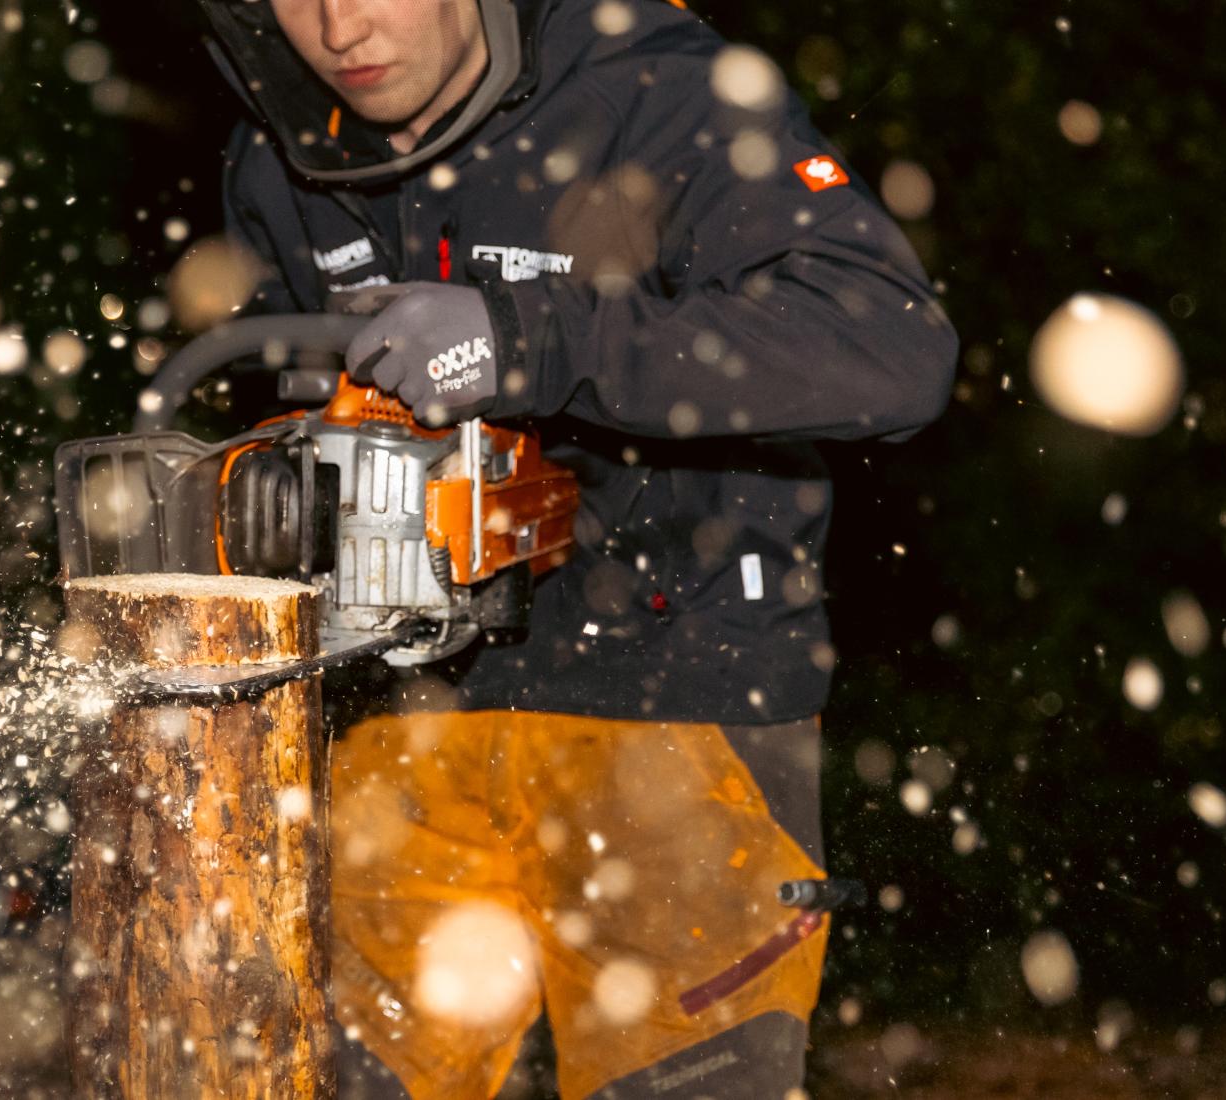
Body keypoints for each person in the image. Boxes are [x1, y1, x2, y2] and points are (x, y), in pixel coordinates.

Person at [197, 0, 959, 1096]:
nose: (336, 23)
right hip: (406, 726)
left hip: (676, 714)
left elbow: (888, 344)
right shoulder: (281, 151)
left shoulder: (660, 95)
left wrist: (529, 337)